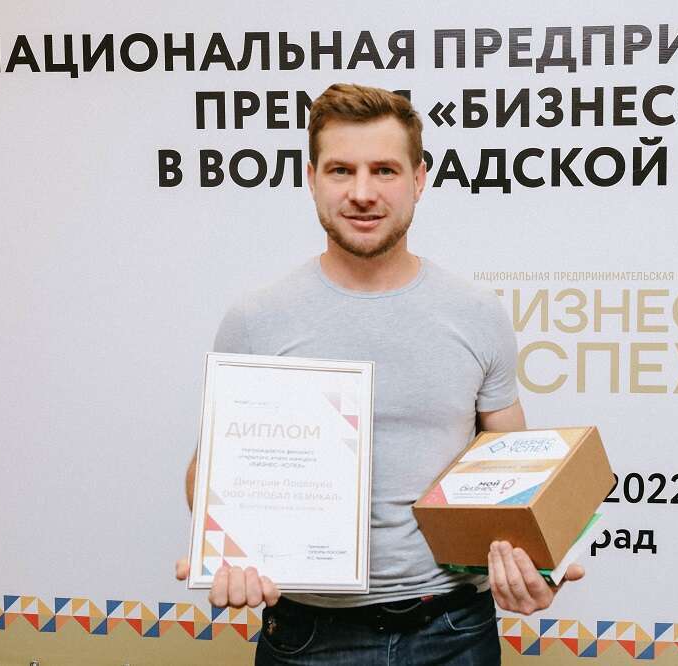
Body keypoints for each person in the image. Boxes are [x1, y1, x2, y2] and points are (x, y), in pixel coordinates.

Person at [175, 83, 584, 664]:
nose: (362, 193)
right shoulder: (256, 321)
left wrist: (537, 564)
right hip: (308, 634)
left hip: (454, 628)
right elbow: (210, 474)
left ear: (419, 179)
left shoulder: (477, 313)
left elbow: (516, 469)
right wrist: (232, 550)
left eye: (385, 171)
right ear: (311, 178)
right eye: (341, 170)